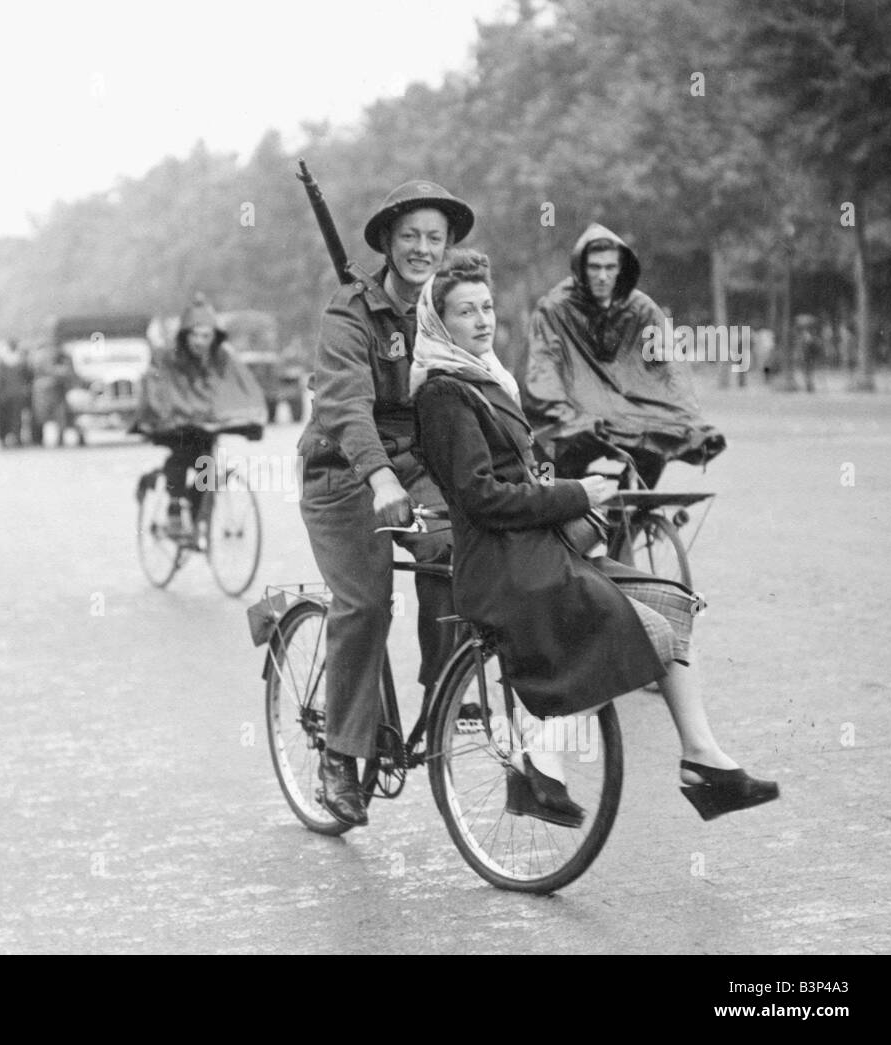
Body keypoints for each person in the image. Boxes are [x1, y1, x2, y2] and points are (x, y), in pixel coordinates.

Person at [412, 250, 778, 825]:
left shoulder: (487, 382)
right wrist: (578, 494)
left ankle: (702, 761)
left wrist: (580, 484)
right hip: (503, 565)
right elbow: (481, 497)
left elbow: (523, 476)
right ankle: (542, 763)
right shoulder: (443, 394)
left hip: (537, 550)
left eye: (487, 307)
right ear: (439, 324)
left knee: (672, 609)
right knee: (637, 626)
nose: (483, 320)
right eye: (465, 312)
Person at [297, 179, 473, 827]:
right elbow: (343, 403)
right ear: (388, 244)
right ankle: (340, 756)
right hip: (343, 473)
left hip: (410, 467)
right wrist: (379, 477)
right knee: (367, 600)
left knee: (453, 548)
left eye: (435, 238)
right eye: (410, 237)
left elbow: (476, 388)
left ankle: (446, 685)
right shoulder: (349, 314)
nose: (423, 249)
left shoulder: (441, 314)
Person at [521, 223, 725, 488]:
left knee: (657, 446)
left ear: (621, 269)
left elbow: (670, 366)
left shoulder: (641, 308)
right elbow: (544, 368)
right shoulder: (554, 309)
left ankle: (630, 518)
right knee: (553, 475)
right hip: (575, 413)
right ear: (581, 269)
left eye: (610, 267)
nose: (602, 276)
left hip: (626, 413)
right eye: (594, 267)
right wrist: (566, 415)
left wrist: (684, 417)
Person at [133, 296, 267, 537]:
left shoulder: (222, 357)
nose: (200, 342)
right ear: (185, 335)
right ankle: (174, 509)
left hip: (205, 424)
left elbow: (240, 386)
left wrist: (249, 416)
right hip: (174, 424)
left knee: (207, 469)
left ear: (214, 336)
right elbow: (163, 389)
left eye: (206, 336)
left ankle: (196, 522)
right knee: (182, 456)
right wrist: (177, 412)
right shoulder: (170, 356)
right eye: (195, 335)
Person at [0, 339, 32, 448]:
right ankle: (11, 438)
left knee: (15, 417)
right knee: (11, 417)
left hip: (11, 393)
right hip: (11, 393)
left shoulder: (4, 361)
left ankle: (11, 437)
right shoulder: (18, 360)